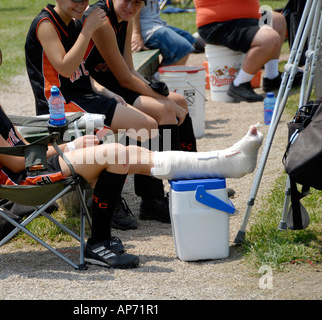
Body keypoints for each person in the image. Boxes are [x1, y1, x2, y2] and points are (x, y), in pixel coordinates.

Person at [0, 34, 263, 268]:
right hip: (22, 180)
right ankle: (99, 241)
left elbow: (16, 146)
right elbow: (11, 161)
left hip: (33, 166)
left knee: (117, 150)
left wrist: (66, 147)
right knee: (116, 153)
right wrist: (67, 146)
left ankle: (221, 162)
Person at [25, 0, 195, 226]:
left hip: (85, 95)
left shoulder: (74, 22)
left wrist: (104, 91)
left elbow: (84, 72)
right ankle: (115, 201)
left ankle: (169, 189)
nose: (81, 4)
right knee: (148, 124)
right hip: (61, 104)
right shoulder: (48, 23)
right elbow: (65, 67)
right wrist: (87, 29)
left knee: (156, 119)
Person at [81, 0, 199, 223]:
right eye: (128, 0)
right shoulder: (102, 18)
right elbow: (125, 78)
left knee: (179, 101)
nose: (131, 7)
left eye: (138, 3)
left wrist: (157, 91)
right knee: (164, 110)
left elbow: (130, 70)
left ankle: (191, 180)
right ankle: (152, 198)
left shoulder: (124, 18)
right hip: (99, 90)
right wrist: (161, 100)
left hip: (116, 84)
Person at [194, 0, 291, 102]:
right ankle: (240, 84)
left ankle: (272, 77)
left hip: (242, 18)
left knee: (277, 20)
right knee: (269, 39)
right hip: (219, 23)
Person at [131, 0, 198, 67]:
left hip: (157, 24)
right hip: (145, 28)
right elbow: (133, 5)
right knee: (182, 48)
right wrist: (136, 33)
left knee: (189, 39)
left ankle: (160, 75)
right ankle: (162, 76)